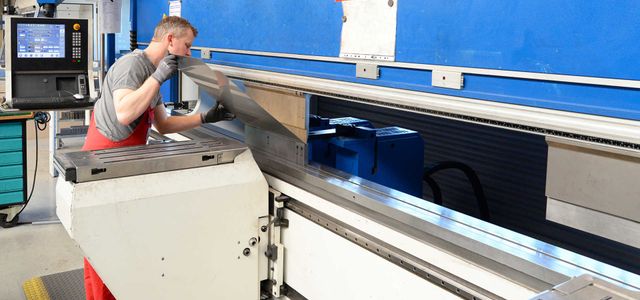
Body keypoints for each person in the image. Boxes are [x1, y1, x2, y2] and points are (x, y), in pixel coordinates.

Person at [81, 16, 233, 300]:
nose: (189, 53)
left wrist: (205, 117)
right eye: (187, 46)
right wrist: (157, 77)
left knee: (122, 241)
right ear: (170, 40)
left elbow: (162, 124)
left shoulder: (153, 71)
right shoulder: (133, 66)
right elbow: (125, 112)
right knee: (103, 243)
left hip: (127, 161)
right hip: (104, 162)